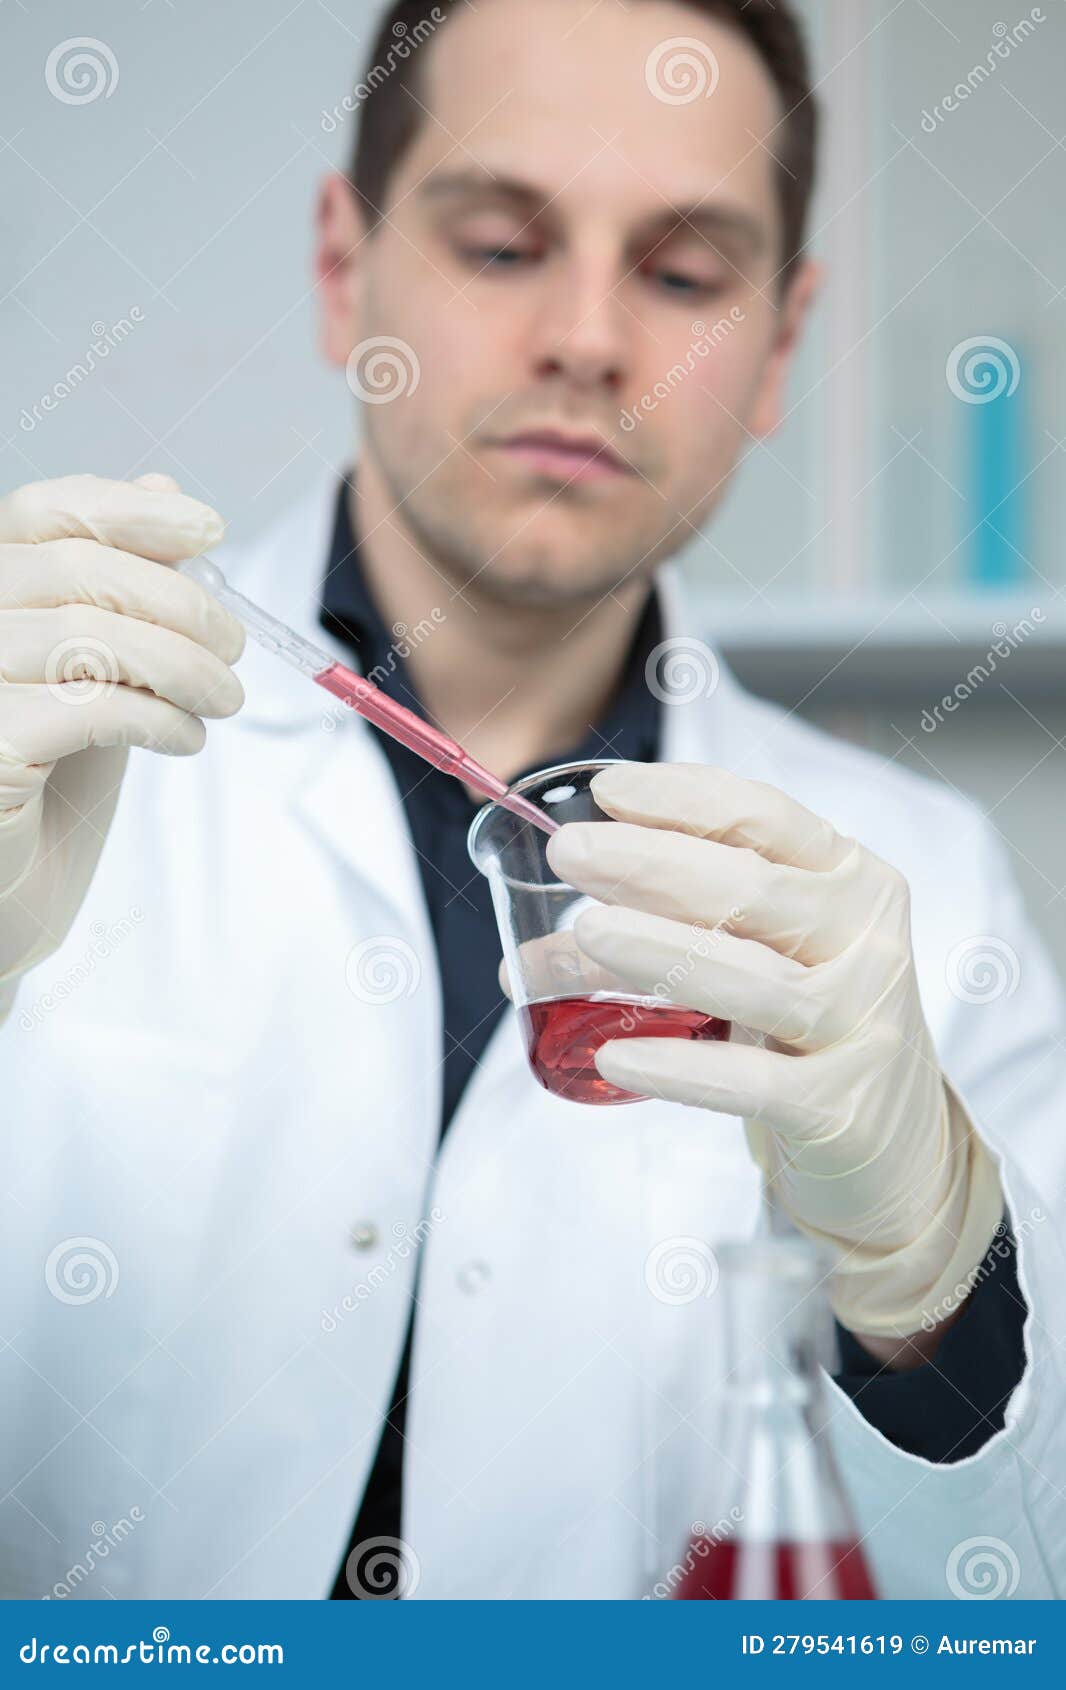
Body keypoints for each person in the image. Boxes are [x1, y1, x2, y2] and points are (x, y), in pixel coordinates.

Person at [0, 0, 1062, 1601]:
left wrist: (932, 1286)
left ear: (778, 345)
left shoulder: (923, 885)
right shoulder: (52, 762)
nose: (586, 338)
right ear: (342, 266)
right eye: (501, 244)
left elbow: (1005, 1592)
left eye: (685, 273)